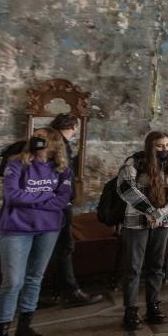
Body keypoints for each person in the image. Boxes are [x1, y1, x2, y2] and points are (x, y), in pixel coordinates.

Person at [0, 128, 73, 336]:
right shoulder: (17, 163)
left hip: (49, 228)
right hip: (16, 227)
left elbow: (63, 199)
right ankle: (1, 332)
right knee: (13, 281)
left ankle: (25, 325)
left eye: (42, 135)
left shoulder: (61, 168)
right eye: (35, 134)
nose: (37, 138)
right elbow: (12, 196)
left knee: (35, 277)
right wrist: (47, 196)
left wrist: (33, 200)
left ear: (54, 142)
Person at [117, 131, 168, 330]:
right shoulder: (134, 162)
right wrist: (151, 212)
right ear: (150, 146)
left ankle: (153, 306)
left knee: (156, 267)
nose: (164, 149)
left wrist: (160, 214)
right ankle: (130, 311)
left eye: (167, 145)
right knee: (133, 268)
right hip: (136, 222)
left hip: (162, 223)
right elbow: (126, 189)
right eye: (159, 146)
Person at [46, 114, 103, 307]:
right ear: (74, 127)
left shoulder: (56, 144)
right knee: (63, 246)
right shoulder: (59, 145)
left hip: (54, 204)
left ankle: (47, 292)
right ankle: (70, 292)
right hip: (58, 205)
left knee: (56, 247)